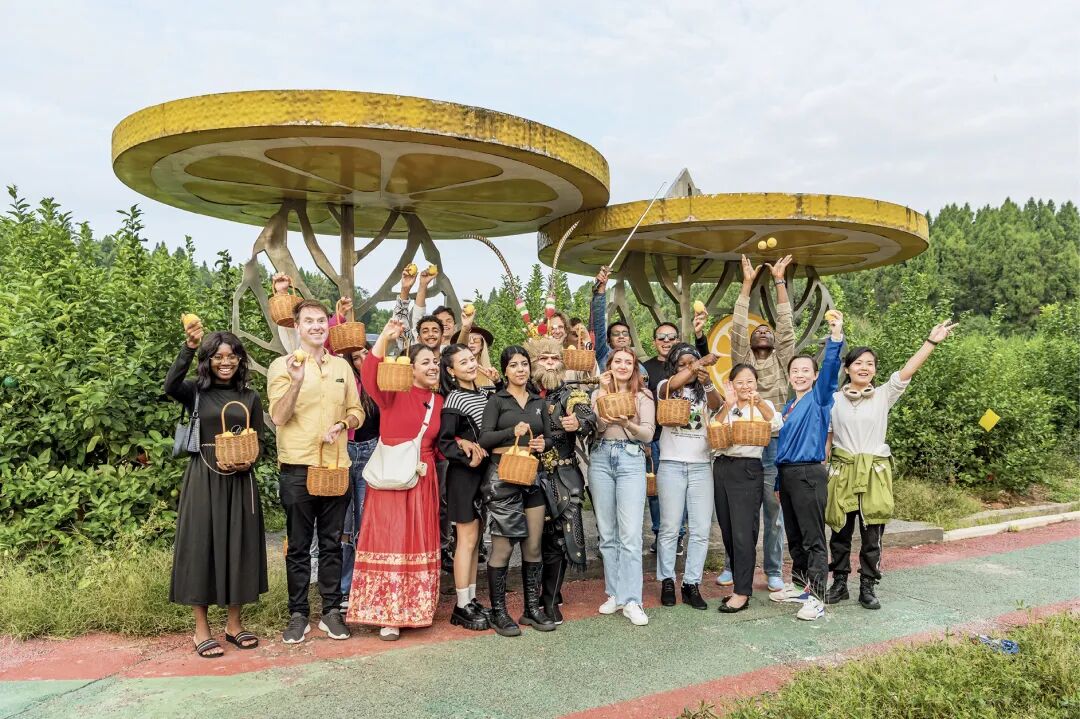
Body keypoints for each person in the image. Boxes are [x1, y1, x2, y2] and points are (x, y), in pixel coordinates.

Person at [825, 321, 958, 610]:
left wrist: (931, 342)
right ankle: (839, 582)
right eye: (858, 363)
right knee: (840, 530)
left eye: (870, 364)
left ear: (875, 370)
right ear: (847, 368)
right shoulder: (833, 401)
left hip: (874, 472)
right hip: (843, 471)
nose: (864, 367)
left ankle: (868, 586)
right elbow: (829, 439)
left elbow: (907, 371)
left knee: (872, 531)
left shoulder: (883, 395)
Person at [165, 322, 268, 658]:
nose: (226, 362)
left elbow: (260, 441)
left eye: (232, 356)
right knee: (201, 548)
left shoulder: (250, 397)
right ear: (208, 360)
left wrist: (248, 462)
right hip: (204, 478)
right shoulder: (196, 391)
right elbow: (170, 385)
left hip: (240, 480)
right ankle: (201, 630)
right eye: (218, 356)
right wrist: (189, 347)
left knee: (239, 548)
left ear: (240, 359)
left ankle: (234, 625)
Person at [268, 300, 364, 644]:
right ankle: (297, 614)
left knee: (332, 543)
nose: (316, 326)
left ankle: (331, 612)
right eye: (308, 321)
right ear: (297, 327)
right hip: (297, 466)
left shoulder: (341, 366)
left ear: (328, 324)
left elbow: (357, 411)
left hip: (336, 467)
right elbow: (279, 417)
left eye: (321, 320)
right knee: (297, 545)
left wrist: (344, 423)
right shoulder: (282, 365)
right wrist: (296, 381)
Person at [347, 319, 443, 641]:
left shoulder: (440, 402)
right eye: (425, 362)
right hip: (391, 478)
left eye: (435, 361)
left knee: (418, 541)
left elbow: (442, 444)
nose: (433, 367)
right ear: (410, 368)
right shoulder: (392, 394)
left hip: (423, 478)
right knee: (389, 540)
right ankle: (387, 615)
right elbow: (369, 374)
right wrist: (385, 339)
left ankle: (416, 608)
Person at [722, 254, 795, 592]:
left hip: (774, 442)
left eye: (768, 330)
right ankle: (733, 566)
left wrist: (779, 282)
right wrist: (747, 284)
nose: (764, 331)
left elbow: (787, 328)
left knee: (773, 511)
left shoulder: (783, 362)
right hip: (745, 443)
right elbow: (738, 327)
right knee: (741, 510)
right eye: (759, 330)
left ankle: (774, 569)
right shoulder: (744, 362)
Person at [770, 310, 845, 622]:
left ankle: (817, 597)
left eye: (805, 370)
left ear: (814, 376)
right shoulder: (789, 405)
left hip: (809, 473)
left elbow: (830, 370)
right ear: (789, 376)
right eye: (795, 371)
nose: (799, 375)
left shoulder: (819, 398)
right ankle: (801, 586)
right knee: (795, 534)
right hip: (787, 475)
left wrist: (835, 337)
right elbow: (783, 447)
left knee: (813, 537)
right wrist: (778, 483)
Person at [478, 346, 554, 636]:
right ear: (505, 371)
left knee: (533, 545)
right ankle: (499, 612)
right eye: (513, 365)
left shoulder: (538, 401)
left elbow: (548, 437)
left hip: (532, 476)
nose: (520, 369)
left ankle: (531, 609)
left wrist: (542, 444)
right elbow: (484, 439)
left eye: (524, 364)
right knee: (503, 547)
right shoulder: (497, 400)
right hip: (503, 478)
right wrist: (512, 432)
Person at [526, 336, 597, 625]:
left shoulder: (570, 394)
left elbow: (588, 417)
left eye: (555, 359)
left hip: (563, 476)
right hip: (526, 475)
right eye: (544, 359)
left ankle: (551, 598)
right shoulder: (521, 393)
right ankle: (533, 598)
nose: (550, 364)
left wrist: (579, 423)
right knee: (533, 540)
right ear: (533, 363)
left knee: (559, 539)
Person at [590, 348, 656, 626]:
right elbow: (594, 429)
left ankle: (632, 600)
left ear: (634, 368)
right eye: (618, 361)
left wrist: (627, 423)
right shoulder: (598, 393)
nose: (623, 366)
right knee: (607, 534)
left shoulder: (643, 396)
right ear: (610, 365)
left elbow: (648, 434)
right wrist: (603, 398)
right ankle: (614, 593)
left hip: (630, 457)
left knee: (630, 535)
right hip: (601, 457)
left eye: (628, 362)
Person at [655, 343, 723, 610]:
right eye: (681, 364)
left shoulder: (703, 390)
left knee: (701, 529)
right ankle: (667, 580)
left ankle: (691, 583)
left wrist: (707, 383)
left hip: (701, 466)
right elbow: (674, 382)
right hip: (671, 464)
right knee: (670, 528)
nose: (688, 368)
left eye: (691, 363)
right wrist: (699, 363)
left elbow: (718, 406)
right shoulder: (666, 387)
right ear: (674, 367)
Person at [713, 365, 783, 613]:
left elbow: (776, 424)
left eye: (750, 381)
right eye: (740, 382)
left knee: (744, 533)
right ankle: (738, 583)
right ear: (731, 384)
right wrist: (727, 404)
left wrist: (759, 401)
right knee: (728, 530)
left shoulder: (764, 406)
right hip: (722, 467)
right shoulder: (726, 405)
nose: (745, 386)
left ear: (756, 383)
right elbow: (713, 430)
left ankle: (742, 592)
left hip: (748, 469)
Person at [326, 297, 381, 606]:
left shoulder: (381, 384)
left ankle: (363, 585)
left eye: (365, 355)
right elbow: (332, 347)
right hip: (345, 451)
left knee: (366, 522)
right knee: (344, 524)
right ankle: (344, 587)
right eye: (356, 357)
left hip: (371, 452)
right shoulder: (344, 380)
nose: (361, 360)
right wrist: (339, 319)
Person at [438, 344, 496, 631]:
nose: (471, 365)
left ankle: (471, 599)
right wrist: (466, 453)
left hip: (483, 475)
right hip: (463, 476)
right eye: (463, 362)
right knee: (466, 540)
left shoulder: (485, 393)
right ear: (451, 371)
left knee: (476, 541)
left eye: (472, 359)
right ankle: (461, 606)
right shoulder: (453, 399)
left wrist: (497, 382)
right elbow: (445, 441)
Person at [643, 319, 709, 553]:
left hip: (693, 450)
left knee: (685, 500)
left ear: (678, 340)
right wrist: (646, 439)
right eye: (662, 337)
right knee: (657, 493)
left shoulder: (697, 380)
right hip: (659, 438)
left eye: (671, 337)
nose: (666, 341)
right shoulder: (649, 368)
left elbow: (703, 365)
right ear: (655, 341)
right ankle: (661, 534)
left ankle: (679, 536)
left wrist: (700, 338)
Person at [392, 267, 436, 351]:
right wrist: (406, 289)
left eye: (435, 330)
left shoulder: (451, 354)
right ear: (418, 338)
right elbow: (416, 320)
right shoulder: (414, 350)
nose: (430, 334)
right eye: (425, 331)